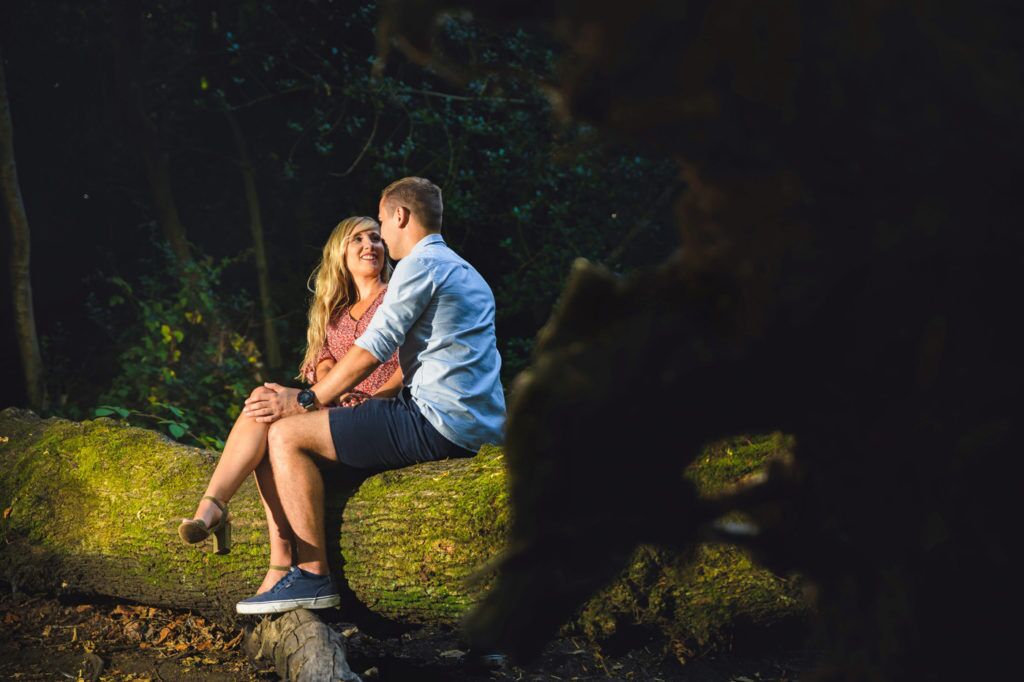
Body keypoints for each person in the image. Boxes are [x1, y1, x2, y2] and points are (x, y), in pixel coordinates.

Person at [234, 176, 506, 615]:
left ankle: (311, 577)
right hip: (481, 428)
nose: (381, 232)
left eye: (381, 221)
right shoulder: (465, 270)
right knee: (321, 434)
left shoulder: (420, 266)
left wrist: (306, 401)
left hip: (434, 422)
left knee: (286, 435)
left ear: (400, 216)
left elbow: (373, 348)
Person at [177, 216, 401, 597]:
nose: (370, 245)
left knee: (272, 415)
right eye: (358, 239)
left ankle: (271, 555)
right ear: (340, 255)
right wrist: (329, 385)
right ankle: (215, 512)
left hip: (377, 416)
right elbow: (324, 365)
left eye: (376, 238)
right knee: (262, 404)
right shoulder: (335, 313)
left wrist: (366, 397)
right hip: (332, 411)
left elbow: (407, 367)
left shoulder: (398, 297)